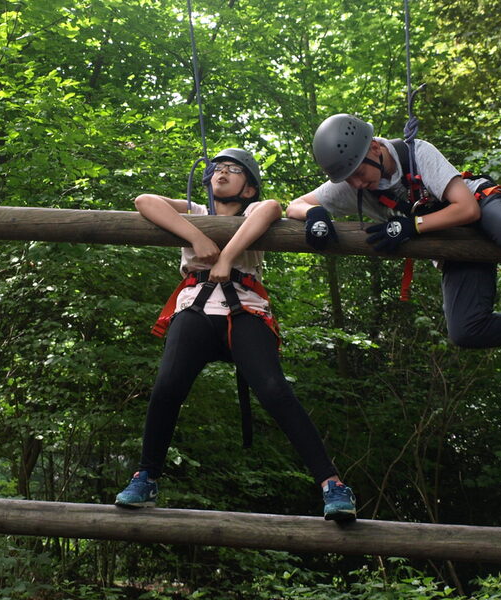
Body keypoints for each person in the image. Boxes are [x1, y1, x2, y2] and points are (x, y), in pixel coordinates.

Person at [114, 148, 357, 521]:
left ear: (248, 188)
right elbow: (144, 201)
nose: (221, 174)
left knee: (275, 390)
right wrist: (197, 238)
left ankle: (331, 484)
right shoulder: (195, 211)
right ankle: (145, 476)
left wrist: (227, 257)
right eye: (217, 169)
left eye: (233, 170)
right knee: (167, 385)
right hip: (195, 308)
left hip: (245, 310)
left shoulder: (251, 212)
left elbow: (272, 207)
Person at [286, 113, 501, 357]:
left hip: (481, 206)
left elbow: (467, 209)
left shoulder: (418, 153)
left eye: (359, 174)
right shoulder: (351, 185)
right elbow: (295, 205)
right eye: (349, 180)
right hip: (453, 243)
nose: (356, 184)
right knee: (466, 330)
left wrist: (410, 226)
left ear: (374, 148)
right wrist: (315, 214)